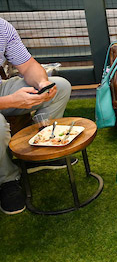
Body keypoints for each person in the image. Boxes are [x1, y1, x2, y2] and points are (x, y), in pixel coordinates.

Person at [0, 18, 72, 214]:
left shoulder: (2, 27)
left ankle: (38, 154)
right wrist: (10, 101)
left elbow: (28, 66)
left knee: (61, 87)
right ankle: (8, 180)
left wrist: (42, 84)